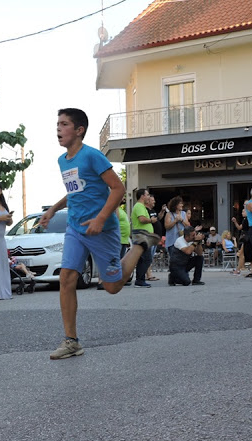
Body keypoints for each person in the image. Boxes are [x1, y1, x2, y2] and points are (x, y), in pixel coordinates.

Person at [40, 108, 159, 360]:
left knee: (112, 286)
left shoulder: (92, 156)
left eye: (64, 124)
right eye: (57, 124)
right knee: (67, 278)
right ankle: (71, 341)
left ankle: (139, 244)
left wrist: (102, 218)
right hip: (76, 228)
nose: (58, 129)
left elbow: (118, 188)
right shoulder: (63, 160)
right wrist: (52, 209)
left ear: (79, 130)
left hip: (102, 229)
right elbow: (75, 192)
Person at [131, 188, 156, 288]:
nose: (149, 197)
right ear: (142, 196)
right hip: (142, 235)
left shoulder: (140, 206)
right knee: (147, 258)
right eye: (148, 195)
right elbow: (141, 219)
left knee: (143, 258)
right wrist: (151, 220)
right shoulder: (139, 206)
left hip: (143, 235)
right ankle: (139, 280)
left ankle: (140, 280)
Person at [145, 193, 165, 281]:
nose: (154, 202)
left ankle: (149, 274)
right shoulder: (145, 210)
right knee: (148, 256)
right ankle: (148, 275)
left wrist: (162, 211)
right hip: (150, 236)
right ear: (148, 201)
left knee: (151, 256)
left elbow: (158, 218)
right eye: (152, 200)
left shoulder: (152, 210)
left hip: (155, 237)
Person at [164, 196, 189, 260]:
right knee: (174, 259)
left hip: (182, 240)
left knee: (183, 259)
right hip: (172, 241)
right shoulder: (169, 214)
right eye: (180, 203)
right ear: (175, 205)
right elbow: (166, 226)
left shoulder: (183, 213)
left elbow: (188, 225)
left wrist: (182, 220)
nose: (182, 205)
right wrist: (175, 221)